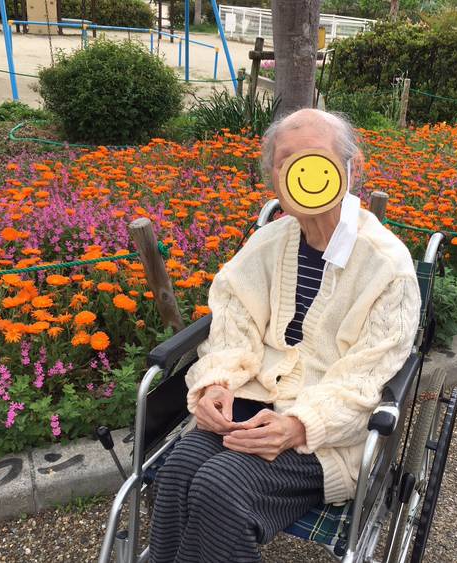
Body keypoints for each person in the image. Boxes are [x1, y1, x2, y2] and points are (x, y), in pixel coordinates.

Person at [149, 109, 421, 563]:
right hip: (249, 406)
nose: (301, 171)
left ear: (350, 169)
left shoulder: (387, 266)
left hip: (327, 436)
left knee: (220, 486)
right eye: (285, 162)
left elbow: (366, 380)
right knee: (178, 469)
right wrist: (216, 383)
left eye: (314, 158)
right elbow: (234, 323)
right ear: (275, 179)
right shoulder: (269, 243)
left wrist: (298, 425)